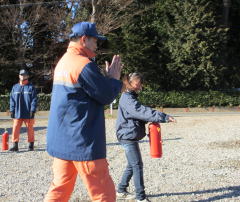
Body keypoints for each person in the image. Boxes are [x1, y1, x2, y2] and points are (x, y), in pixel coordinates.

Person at [44, 22, 126, 202]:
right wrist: (113, 80)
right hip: (82, 142)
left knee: (59, 188)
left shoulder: (63, 62)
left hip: (61, 141)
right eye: (95, 40)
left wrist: (105, 81)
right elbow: (105, 96)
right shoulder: (83, 64)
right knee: (103, 192)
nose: (97, 45)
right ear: (84, 39)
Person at [116, 73, 176, 202]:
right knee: (137, 165)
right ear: (129, 82)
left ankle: (121, 190)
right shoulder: (127, 98)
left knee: (132, 165)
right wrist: (163, 117)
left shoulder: (130, 97)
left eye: (141, 83)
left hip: (129, 135)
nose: (140, 85)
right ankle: (140, 197)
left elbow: (139, 113)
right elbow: (141, 111)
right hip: (127, 136)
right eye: (137, 82)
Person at [9, 69, 37, 152]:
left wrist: (33, 110)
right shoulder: (15, 87)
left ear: (27, 76)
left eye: (24, 75)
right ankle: (15, 145)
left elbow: (34, 100)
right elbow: (12, 100)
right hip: (17, 113)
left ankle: (31, 145)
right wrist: (12, 110)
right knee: (15, 129)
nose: (23, 76)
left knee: (30, 129)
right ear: (19, 76)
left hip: (28, 113)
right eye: (21, 75)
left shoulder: (31, 87)